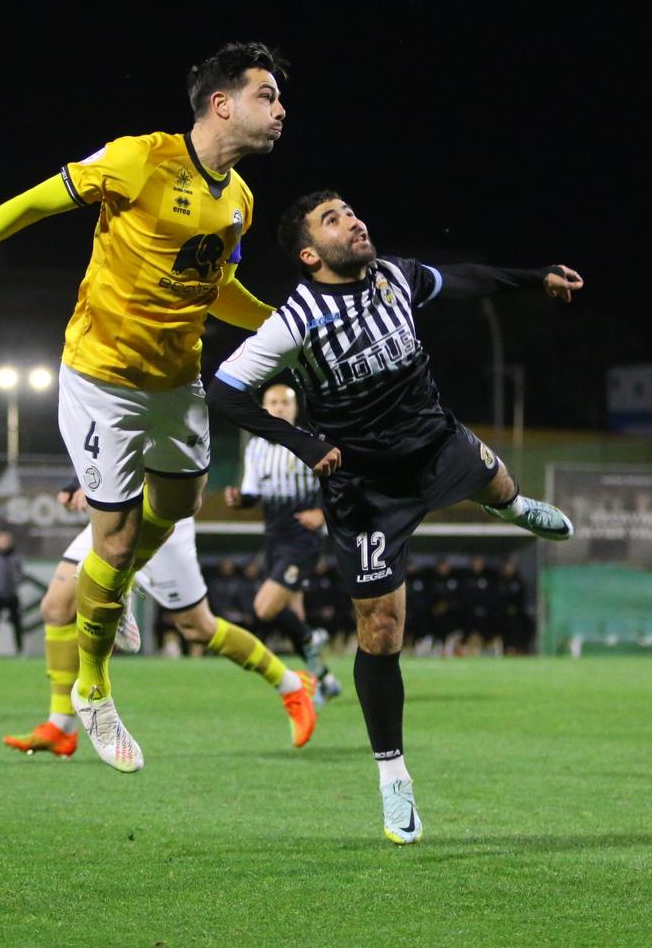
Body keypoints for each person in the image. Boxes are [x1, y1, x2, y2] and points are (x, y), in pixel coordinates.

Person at [0, 42, 292, 773]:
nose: (281, 108)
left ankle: (119, 592)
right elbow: (35, 200)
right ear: (222, 104)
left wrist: (282, 324)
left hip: (176, 384)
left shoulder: (241, 201)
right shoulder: (140, 158)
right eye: (268, 95)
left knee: (182, 502)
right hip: (101, 380)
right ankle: (92, 694)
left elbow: (213, 286)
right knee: (111, 539)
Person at [209, 190, 582, 844]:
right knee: (380, 630)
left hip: (435, 443)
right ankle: (393, 778)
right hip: (365, 487)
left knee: (499, 484)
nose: (353, 221)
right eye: (332, 219)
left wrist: (534, 276)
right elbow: (224, 391)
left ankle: (516, 508)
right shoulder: (293, 321)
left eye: (351, 212)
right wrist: (304, 443)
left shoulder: (395, 276)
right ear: (308, 253)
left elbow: (462, 281)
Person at [4, 481, 317, 757]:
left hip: (164, 514)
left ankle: (291, 684)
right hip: (116, 509)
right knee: (56, 606)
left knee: (197, 627)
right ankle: (60, 725)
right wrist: (80, 481)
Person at [223, 383, 342, 704]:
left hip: (303, 541)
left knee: (265, 607)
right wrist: (240, 500)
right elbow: (253, 494)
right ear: (263, 408)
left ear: (295, 408)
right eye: (272, 402)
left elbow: (341, 485)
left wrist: (322, 512)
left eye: (284, 402)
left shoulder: (310, 442)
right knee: (293, 613)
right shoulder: (255, 448)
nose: (278, 408)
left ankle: (312, 641)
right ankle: (325, 680)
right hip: (274, 539)